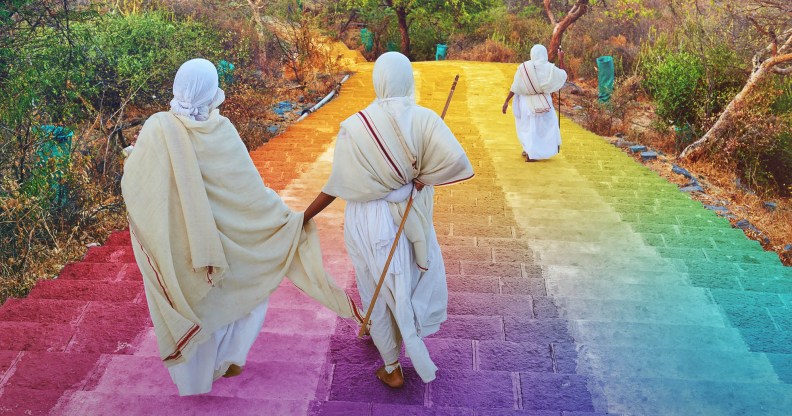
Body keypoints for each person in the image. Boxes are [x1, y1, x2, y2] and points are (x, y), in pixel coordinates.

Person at [121, 58, 361, 396]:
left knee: (196, 303)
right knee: (250, 291)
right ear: (211, 90)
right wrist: (284, 220)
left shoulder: (158, 129)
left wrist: (137, 158)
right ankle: (231, 356)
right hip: (224, 243)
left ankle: (194, 381)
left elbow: (138, 183)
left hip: (180, 244)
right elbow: (248, 193)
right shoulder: (221, 131)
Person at [303, 52, 474, 388]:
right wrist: (421, 179)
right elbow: (457, 163)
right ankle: (405, 336)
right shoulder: (425, 119)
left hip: (366, 219)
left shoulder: (355, 125)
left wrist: (303, 217)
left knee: (375, 283)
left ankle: (391, 365)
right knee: (404, 279)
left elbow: (335, 185)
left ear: (377, 80)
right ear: (408, 79)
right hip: (408, 215)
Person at [502, 44, 567, 162]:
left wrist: (507, 101)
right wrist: (561, 59)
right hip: (544, 103)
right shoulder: (550, 68)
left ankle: (529, 150)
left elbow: (515, 86)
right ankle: (533, 152)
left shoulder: (524, 67)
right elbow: (563, 76)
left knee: (528, 127)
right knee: (545, 128)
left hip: (526, 103)